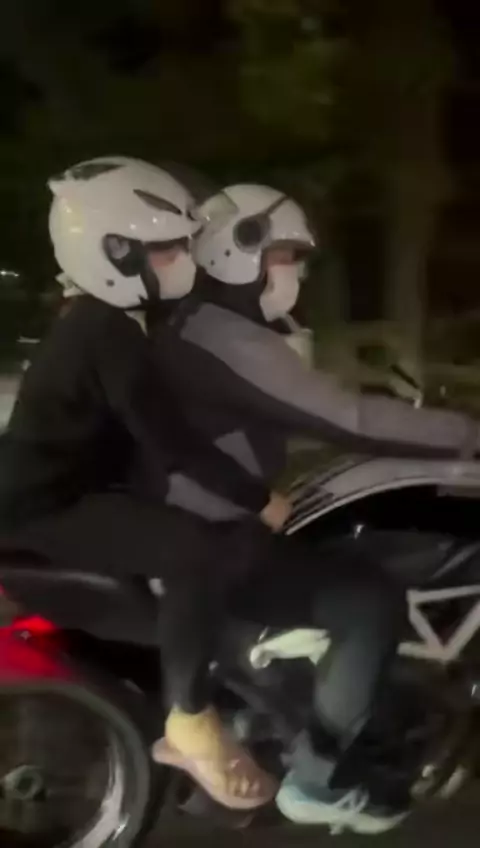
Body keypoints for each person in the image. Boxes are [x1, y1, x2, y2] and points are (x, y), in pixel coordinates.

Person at [145, 182, 480, 833]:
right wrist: (467, 433)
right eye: (287, 256)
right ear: (240, 250)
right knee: (369, 600)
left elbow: (309, 406)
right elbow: (345, 417)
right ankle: (320, 779)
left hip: (195, 528)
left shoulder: (201, 327)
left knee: (339, 550)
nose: (295, 273)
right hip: (206, 542)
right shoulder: (226, 336)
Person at [0, 159, 288, 811]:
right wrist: (260, 497)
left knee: (208, 547)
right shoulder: (105, 329)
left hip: (66, 488)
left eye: (181, 246)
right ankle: (190, 721)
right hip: (47, 507)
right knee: (193, 552)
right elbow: (171, 441)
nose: (182, 261)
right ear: (113, 255)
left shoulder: (103, 318)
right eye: (165, 250)